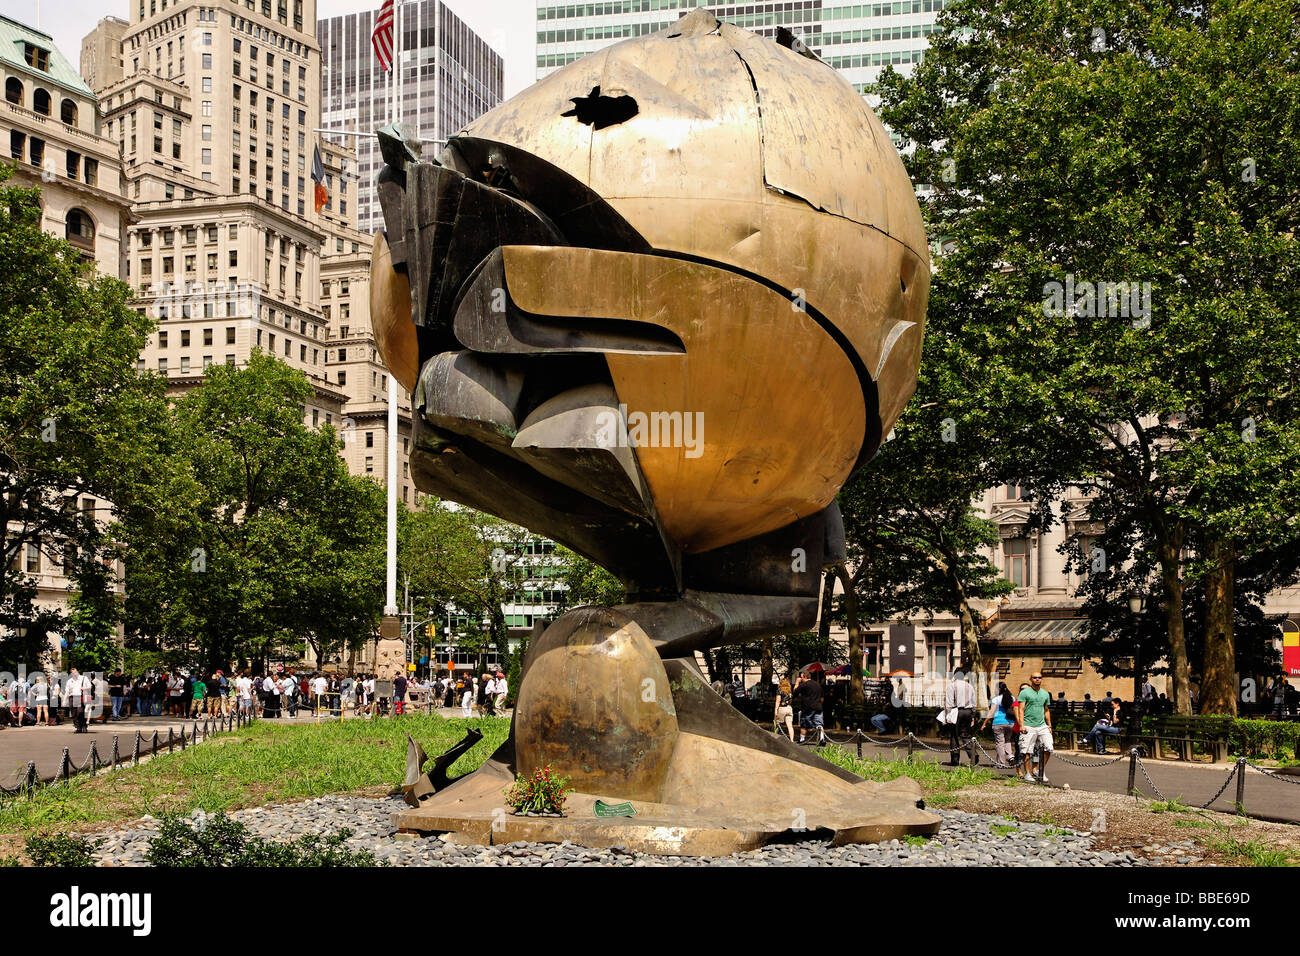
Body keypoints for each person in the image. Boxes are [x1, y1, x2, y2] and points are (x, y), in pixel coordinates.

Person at [1016, 672, 1054, 783]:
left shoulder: (1045, 694)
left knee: (1049, 747)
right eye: (1035, 677)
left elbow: (1046, 710)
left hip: (1042, 725)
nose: (1037, 679)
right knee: (1026, 750)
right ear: (1030, 679)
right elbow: (1021, 709)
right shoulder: (1024, 693)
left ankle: (1039, 770)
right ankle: (1028, 773)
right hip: (1028, 725)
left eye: (1039, 677)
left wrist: (1049, 725)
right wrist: (1021, 725)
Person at [945, 669, 978, 766]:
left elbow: (949, 702)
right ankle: (973, 754)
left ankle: (955, 760)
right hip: (968, 711)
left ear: (955, 675)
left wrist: (948, 715)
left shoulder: (952, 686)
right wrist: (972, 715)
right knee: (965, 735)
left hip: (956, 712)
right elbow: (974, 703)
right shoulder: (970, 686)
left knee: (954, 736)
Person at [981, 682, 1017, 768]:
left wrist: (984, 723)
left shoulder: (996, 699)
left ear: (998, 689)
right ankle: (1010, 756)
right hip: (1010, 723)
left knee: (1000, 743)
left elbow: (991, 712)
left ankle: (1001, 763)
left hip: (998, 722)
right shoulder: (1012, 698)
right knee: (1007, 740)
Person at [792, 672, 825, 745]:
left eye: (801, 677)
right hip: (818, 706)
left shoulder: (804, 685)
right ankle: (822, 738)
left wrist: (797, 682)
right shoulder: (817, 684)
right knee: (819, 723)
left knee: (804, 723)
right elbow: (822, 697)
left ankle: (802, 738)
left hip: (807, 707)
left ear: (803, 677)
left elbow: (795, 693)